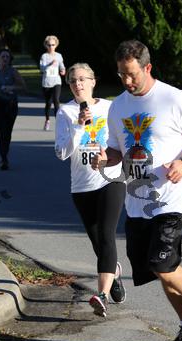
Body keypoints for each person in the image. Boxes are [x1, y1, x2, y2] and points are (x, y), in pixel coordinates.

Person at [92, 40, 182, 341]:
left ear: (147, 68)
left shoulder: (174, 99)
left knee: (162, 262)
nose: (126, 80)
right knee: (156, 268)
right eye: (121, 74)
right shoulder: (118, 107)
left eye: (132, 74)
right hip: (137, 200)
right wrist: (105, 158)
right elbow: (116, 150)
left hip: (172, 197)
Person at [55, 63, 126, 317]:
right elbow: (61, 153)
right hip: (82, 186)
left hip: (111, 179)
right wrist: (78, 126)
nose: (78, 84)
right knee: (99, 243)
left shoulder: (110, 108)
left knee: (106, 236)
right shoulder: (65, 112)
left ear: (93, 81)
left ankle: (102, 295)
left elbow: (125, 142)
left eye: (82, 79)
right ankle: (114, 273)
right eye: (73, 81)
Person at [0, 48, 26, 170]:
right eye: (3, 57)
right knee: (1, 130)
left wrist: (11, 87)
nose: (5, 59)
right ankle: (3, 159)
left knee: (7, 132)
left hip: (11, 104)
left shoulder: (13, 72)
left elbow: (23, 87)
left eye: (7, 57)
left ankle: (4, 154)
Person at [39, 35, 65, 131]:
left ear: (56, 45)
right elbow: (41, 69)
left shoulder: (59, 56)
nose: (51, 47)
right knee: (48, 103)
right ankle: (47, 120)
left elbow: (62, 66)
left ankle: (59, 122)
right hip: (47, 82)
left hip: (56, 81)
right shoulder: (44, 56)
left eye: (53, 45)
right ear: (46, 45)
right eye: (49, 45)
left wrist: (63, 70)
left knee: (56, 100)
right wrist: (49, 64)